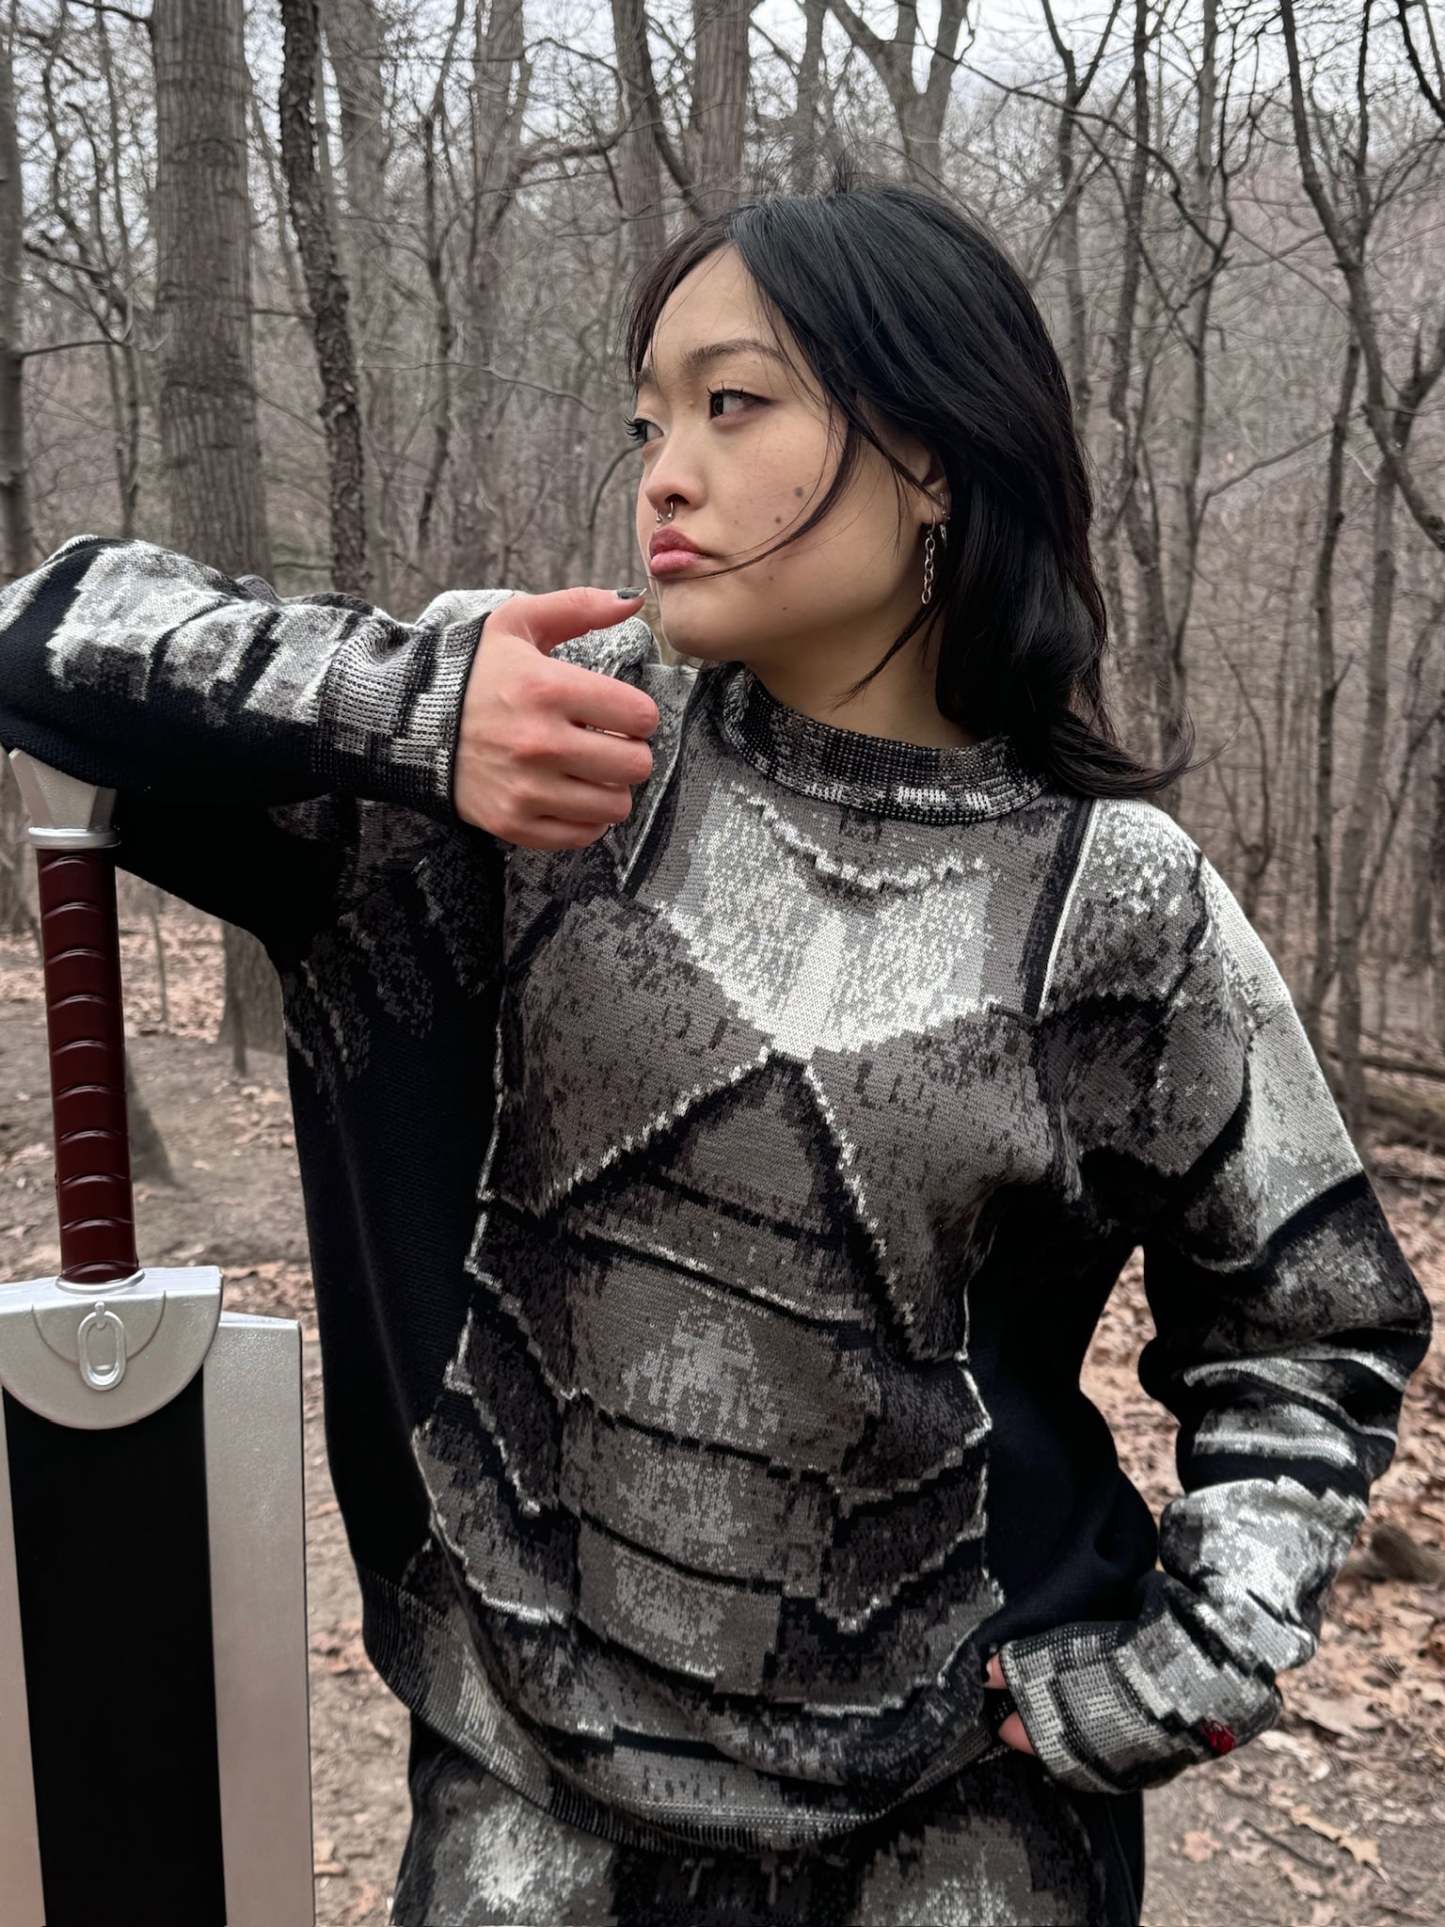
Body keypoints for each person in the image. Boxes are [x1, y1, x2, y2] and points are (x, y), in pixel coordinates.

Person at [0, 157, 1431, 1926]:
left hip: (967, 1827)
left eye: (732, 404)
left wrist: (1197, 1657)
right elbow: (44, 637)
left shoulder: (1116, 896)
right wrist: (409, 707)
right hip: (526, 1809)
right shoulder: (533, 761)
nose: (663, 472)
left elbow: (1314, 1321)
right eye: (647, 418)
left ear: (931, 454)